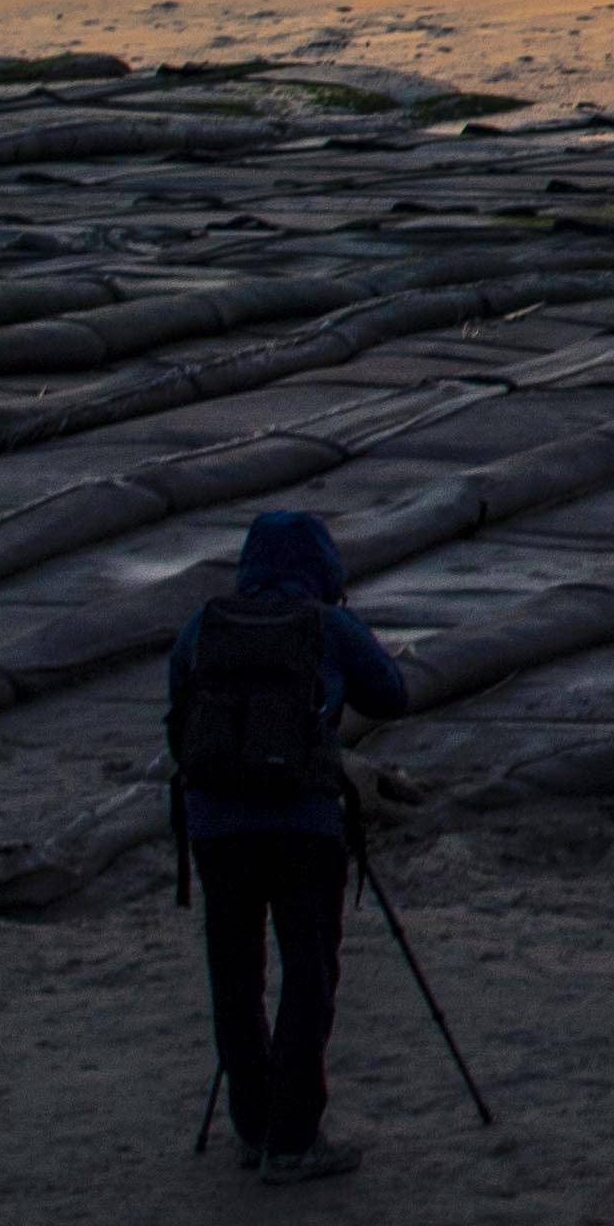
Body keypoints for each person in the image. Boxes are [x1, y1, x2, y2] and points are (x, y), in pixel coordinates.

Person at [163, 507, 411, 1187]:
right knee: (309, 975)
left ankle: (253, 1129)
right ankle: (295, 1138)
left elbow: (176, 711)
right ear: (322, 565)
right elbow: (392, 695)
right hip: (303, 824)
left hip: (216, 825)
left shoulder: (204, 624)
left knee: (236, 977)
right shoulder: (326, 624)